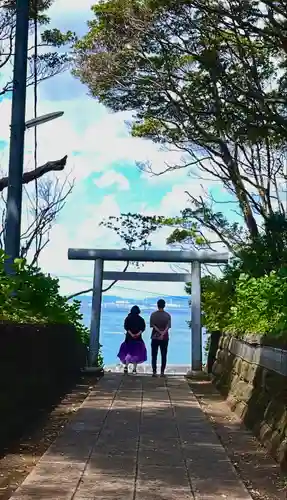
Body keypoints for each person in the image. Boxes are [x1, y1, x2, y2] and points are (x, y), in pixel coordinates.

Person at [117, 305, 147, 374]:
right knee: (136, 354)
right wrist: (137, 334)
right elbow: (143, 328)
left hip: (129, 339)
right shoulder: (141, 319)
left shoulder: (128, 318)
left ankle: (126, 367)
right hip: (138, 339)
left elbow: (126, 328)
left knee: (128, 353)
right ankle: (134, 369)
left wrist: (132, 334)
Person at [150, 299, 171, 377]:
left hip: (154, 336)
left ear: (157, 305)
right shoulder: (167, 315)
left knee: (154, 355)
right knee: (164, 354)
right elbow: (168, 326)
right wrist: (163, 333)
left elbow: (153, 326)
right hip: (165, 337)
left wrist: (159, 332)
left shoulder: (153, 315)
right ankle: (162, 372)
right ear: (164, 305)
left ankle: (154, 372)